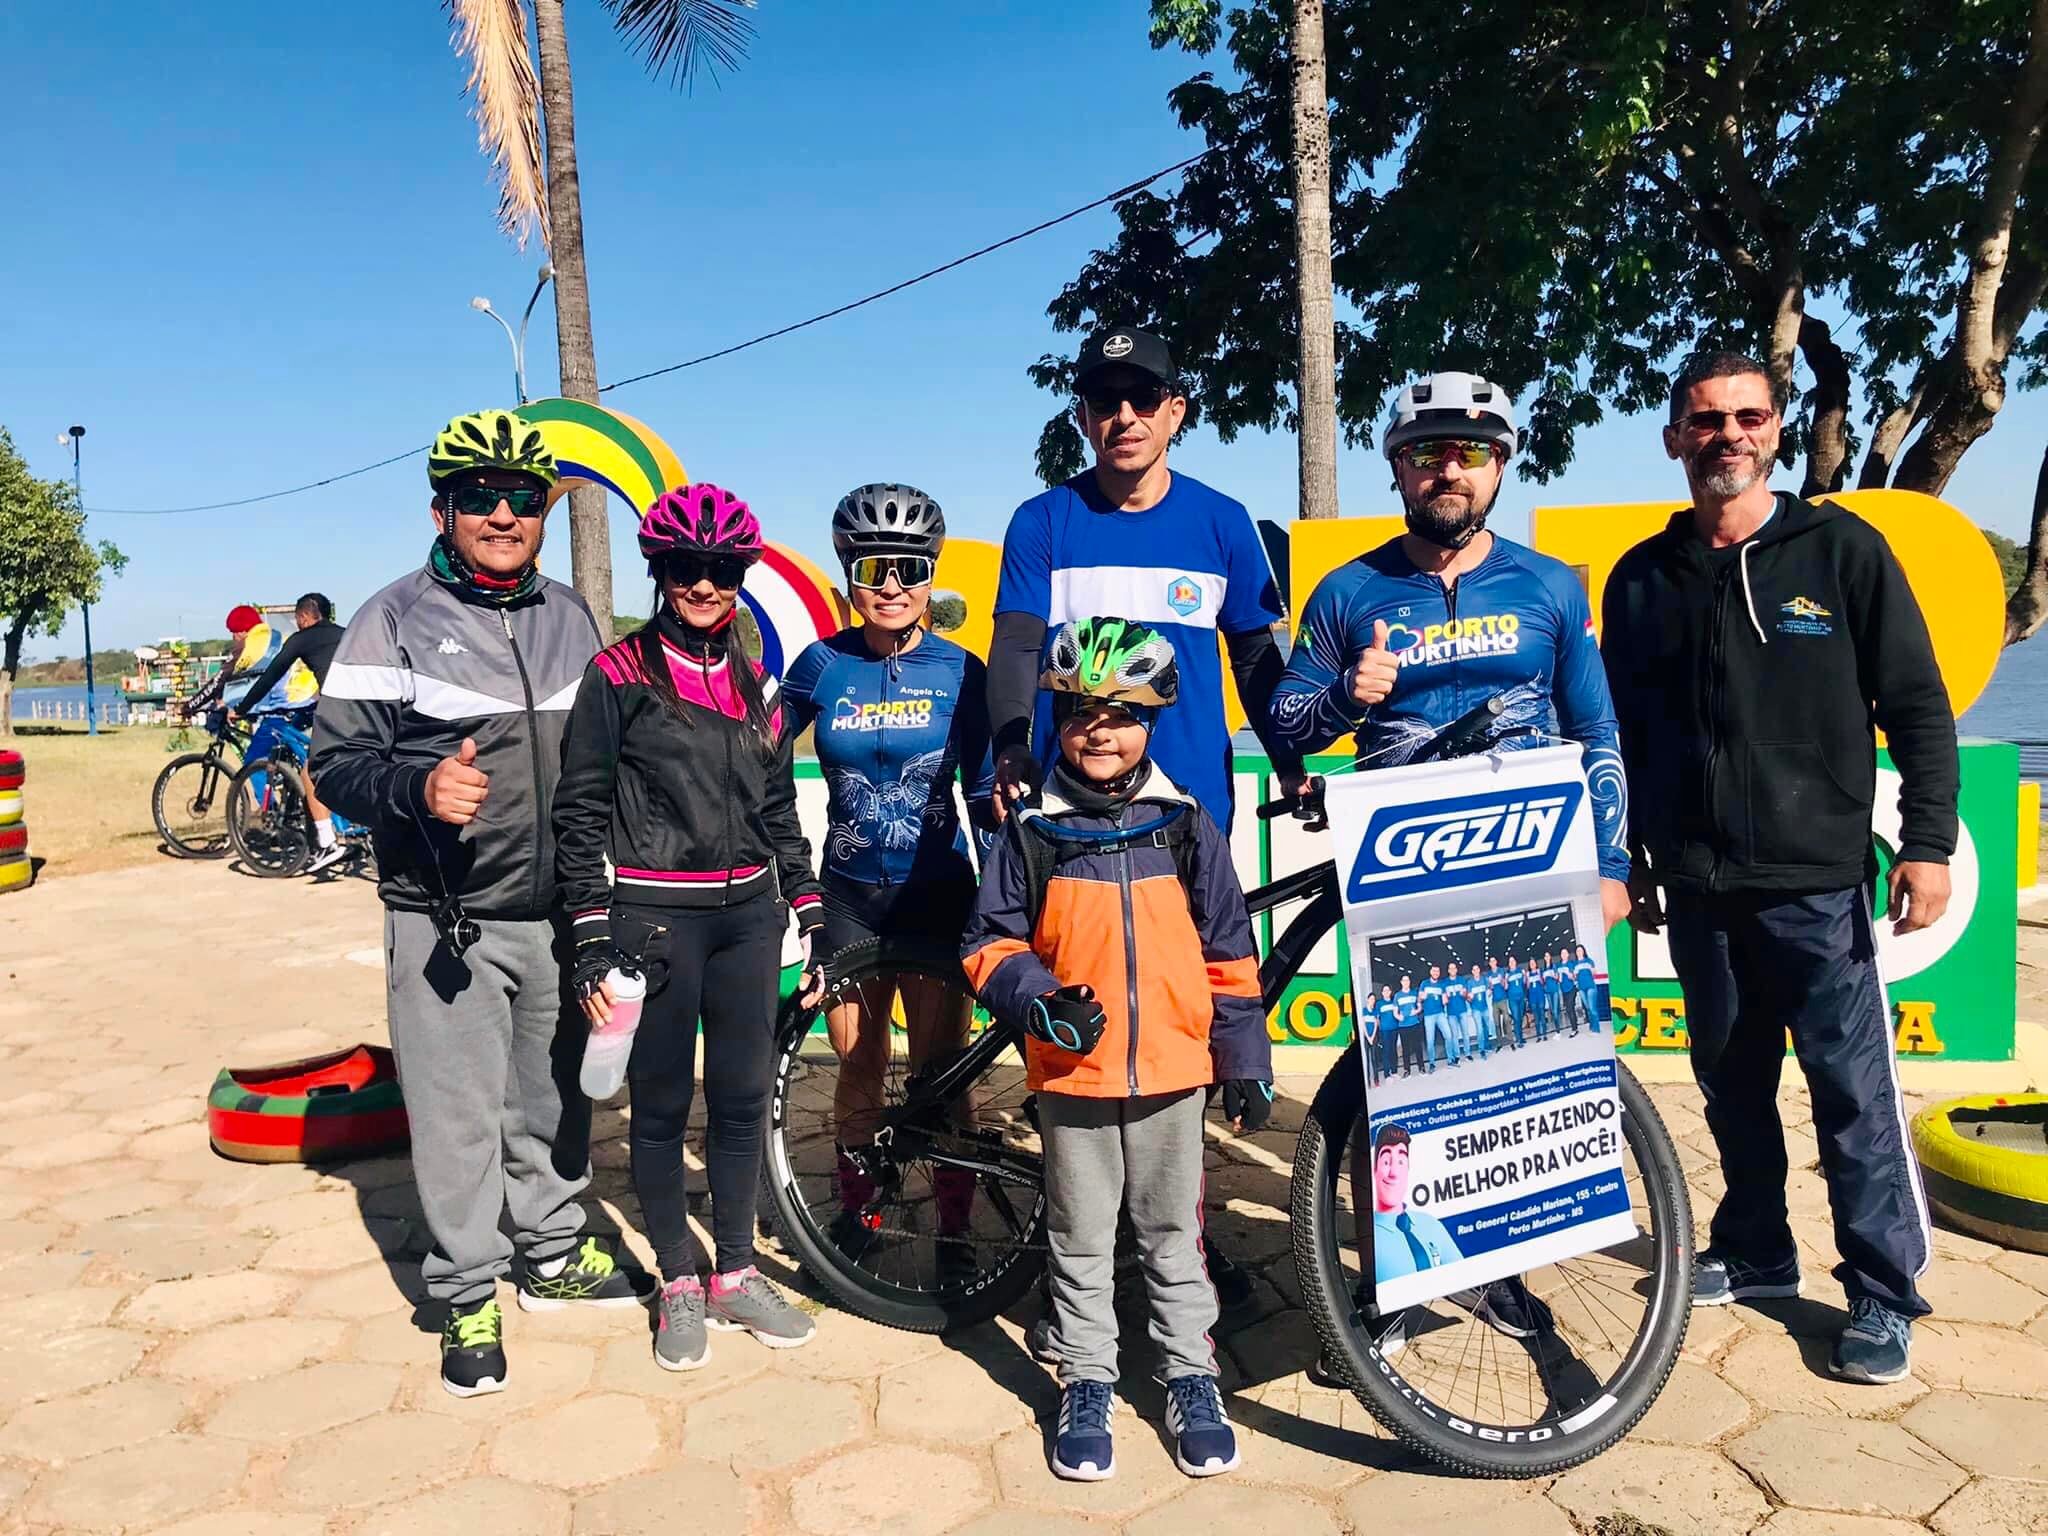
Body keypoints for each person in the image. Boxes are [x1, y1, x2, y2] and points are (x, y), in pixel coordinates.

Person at [1602, 349, 1955, 1386]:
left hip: (1816, 882)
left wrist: (1926, 843)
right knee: (1730, 1086)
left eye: (1746, 417)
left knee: (1849, 1091)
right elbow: (1615, 734)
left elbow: (1918, 709)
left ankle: (1882, 1291)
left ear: (1775, 428)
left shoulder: (1839, 550)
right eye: (1704, 421)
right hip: (1698, 884)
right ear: (1674, 438)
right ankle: (1756, 1250)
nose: (1727, 437)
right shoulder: (1640, 577)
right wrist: (1629, 856)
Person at [311, 410, 642, 1399]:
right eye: (477, 497)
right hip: (442, 913)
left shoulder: (571, 615)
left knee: (549, 1098)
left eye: (521, 498)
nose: (502, 514)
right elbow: (335, 764)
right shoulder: (393, 616)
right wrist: (416, 789)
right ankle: (465, 1292)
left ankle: (550, 1250)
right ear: (441, 509)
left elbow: (604, 750)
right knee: (456, 1116)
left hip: (554, 911)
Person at [986, 324, 1296, 1309]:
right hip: (1070, 818)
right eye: (1102, 398)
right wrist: (1005, 751)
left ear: (1176, 411)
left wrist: (1296, 764)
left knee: (1182, 1026)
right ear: (1081, 414)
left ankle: (1175, 1251)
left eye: (1142, 397)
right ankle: (1084, 1249)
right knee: (1073, 1027)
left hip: (1183, 819)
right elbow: (1016, 644)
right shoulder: (1043, 521)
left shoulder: (1221, 521)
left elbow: (1255, 661)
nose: (1122, 415)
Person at [961, 617, 1272, 1483]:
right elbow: (988, 943)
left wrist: (1242, 1053)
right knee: (1082, 1232)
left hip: (1175, 1072)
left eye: (1124, 711)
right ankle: (1088, 1377)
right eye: (1083, 709)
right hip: (1074, 1073)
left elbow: (1228, 947)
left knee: (1174, 1232)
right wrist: (1036, 1000)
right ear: (1058, 717)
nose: (1101, 728)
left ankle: (1189, 1374)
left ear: (1156, 718)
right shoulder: (1032, 831)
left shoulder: (1184, 825)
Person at [554, 482, 828, 1371]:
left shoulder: (755, 682)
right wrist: (593, 933)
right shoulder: (618, 675)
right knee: (664, 1108)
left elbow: (778, 804)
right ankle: (678, 1278)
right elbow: (580, 810)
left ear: (739, 575)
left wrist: (808, 905)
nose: (703, 585)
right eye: (684, 568)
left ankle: (735, 1271)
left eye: (719, 570)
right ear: (659, 571)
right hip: (654, 917)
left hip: (748, 920)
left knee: (745, 1101)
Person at [779, 483, 995, 1284]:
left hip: (938, 892)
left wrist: (1007, 903)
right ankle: (860, 1212)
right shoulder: (819, 665)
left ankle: (956, 1228)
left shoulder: (961, 672)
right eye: (876, 568)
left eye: (910, 568)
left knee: (945, 1069)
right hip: (847, 897)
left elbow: (986, 798)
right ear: (849, 579)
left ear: (932, 577)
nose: (894, 585)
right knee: (859, 1062)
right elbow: (755, 761)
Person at [229, 593, 349, 873]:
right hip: (363, 708)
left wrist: (244, 708)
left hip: (336, 709)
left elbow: (271, 675)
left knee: (312, 769)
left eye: (297, 619)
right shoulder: (347, 633)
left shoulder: (301, 638)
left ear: (305, 617)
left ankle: (328, 840)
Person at [1369, 1124, 1464, 1281]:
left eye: (1401, 1162)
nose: (1393, 1173)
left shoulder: (1430, 1223)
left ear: (1408, 1168)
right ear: (1374, 1169)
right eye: (1386, 1162)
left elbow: (1462, 1273)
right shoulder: (1374, 1236)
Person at [1418, 964, 1453, 1072]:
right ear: (1430, 972)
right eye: (1434, 971)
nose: (1436, 973)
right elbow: (1419, 997)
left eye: (1437, 971)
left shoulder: (1441, 985)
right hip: (1428, 1016)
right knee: (1430, 1041)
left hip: (1440, 1014)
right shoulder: (1424, 983)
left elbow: (1444, 1000)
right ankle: (1432, 1064)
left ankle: (1450, 1060)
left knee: (1449, 1036)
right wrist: (1421, 997)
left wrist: (1446, 998)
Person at [1369, 985, 1400, 1085]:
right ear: (1382, 993)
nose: (1386, 992)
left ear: (1390, 992)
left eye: (1388, 990)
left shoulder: (1394, 1002)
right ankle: (1387, 1074)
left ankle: (1394, 1071)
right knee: (1386, 1051)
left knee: (1393, 1050)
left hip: (1394, 1029)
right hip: (1384, 1031)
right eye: (1384, 991)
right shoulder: (1379, 1004)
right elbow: (1377, 1018)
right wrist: (1379, 1028)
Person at [1394, 973, 1423, 1076]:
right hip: (1403, 1026)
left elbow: (1420, 1007)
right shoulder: (1397, 995)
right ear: (1401, 982)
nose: (1406, 982)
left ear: (1409, 982)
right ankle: (1407, 1071)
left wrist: (1416, 1011)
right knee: (1405, 1049)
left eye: (1408, 980)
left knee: (1418, 1047)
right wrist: (1398, 1017)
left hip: (1414, 1023)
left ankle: (1421, 1068)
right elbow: (1395, 1012)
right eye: (1404, 980)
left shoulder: (1414, 993)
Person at [1572, 943, 1601, 1030]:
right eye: (1577, 951)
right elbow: (1574, 978)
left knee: (1592, 1008)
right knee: (1588, 1008)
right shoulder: (1575, 964)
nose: (1579, 952)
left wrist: (1591, 969)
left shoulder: (1589, 960)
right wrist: (1574, 975)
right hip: (1581, 988)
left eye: (1580, 950)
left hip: (1590, 986)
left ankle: (1596, 1029)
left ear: (1583, 951)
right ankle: (1592, 1026)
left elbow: (1594, 972)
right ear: (1576, 953)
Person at [1503, 955, 1528, 1048]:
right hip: (1512, 999)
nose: (1512, 963)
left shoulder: (1520, 971)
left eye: (1513, 961)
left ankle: (1520, 1036)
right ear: (1509, 964)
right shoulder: (1507, 974)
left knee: (1520, 1018)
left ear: (1515, 962)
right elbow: (1505, 987)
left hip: (1521, 997)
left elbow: (1525, 982)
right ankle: (1518, 1040)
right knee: (1516, 1018)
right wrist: (1505, 980)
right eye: (1510, 961)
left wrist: (1525, 975)